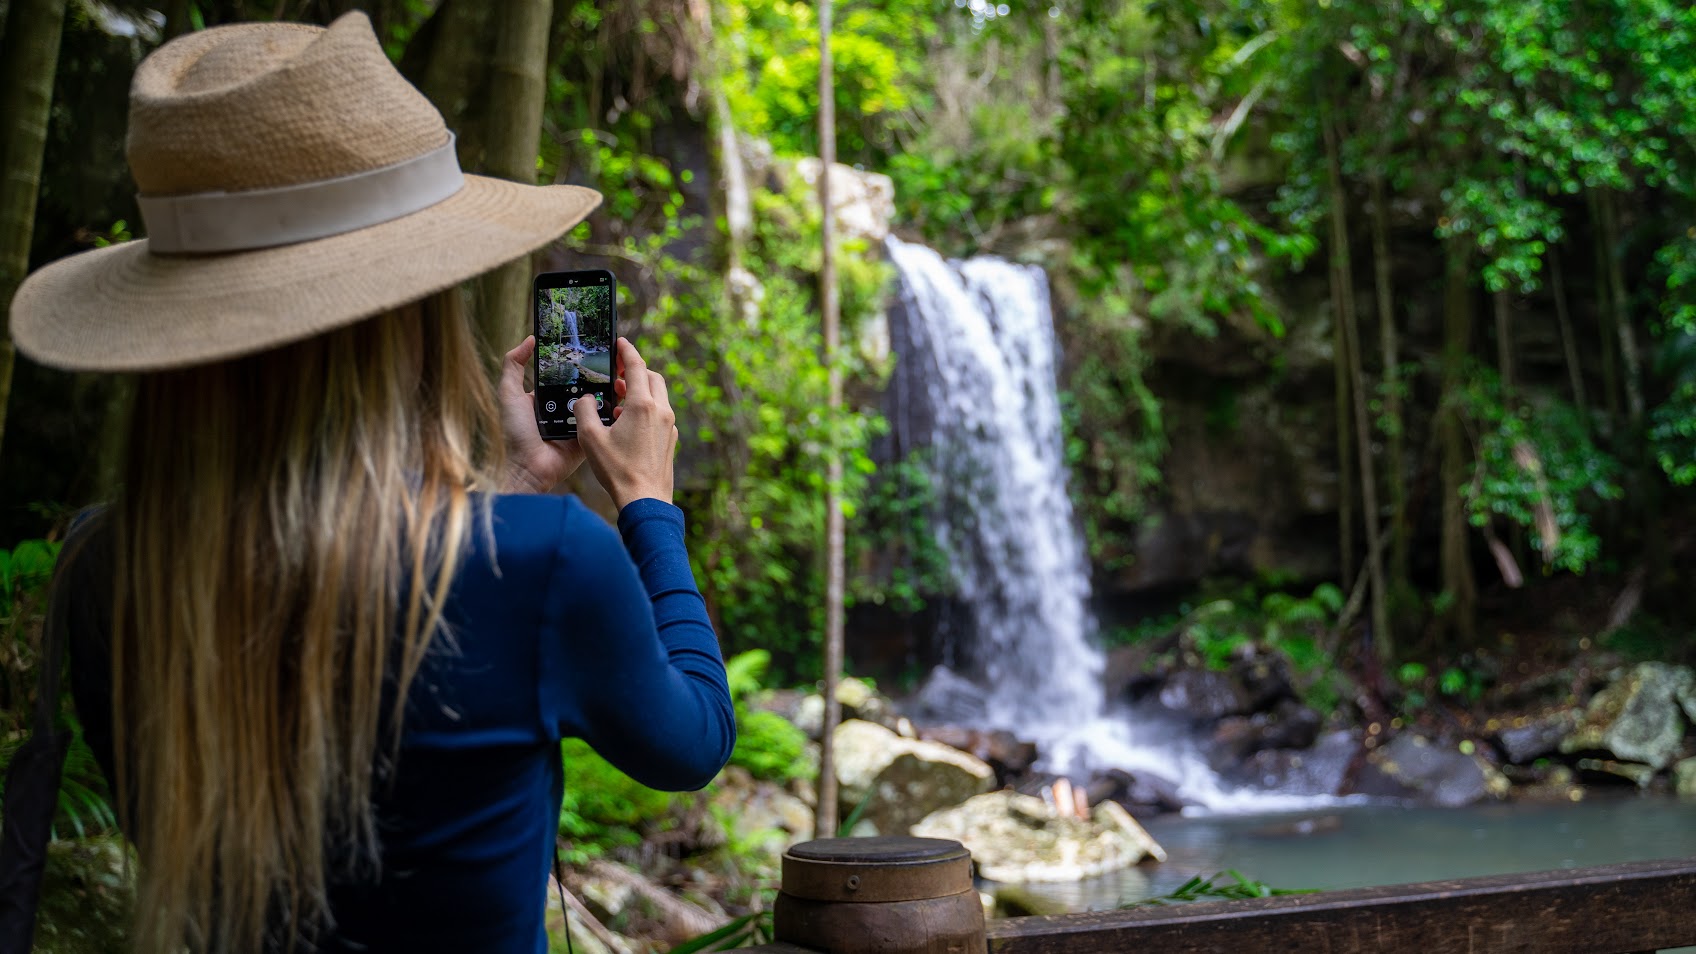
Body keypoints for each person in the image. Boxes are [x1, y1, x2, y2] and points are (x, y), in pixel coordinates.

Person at [8, 12, 734, 953]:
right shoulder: (548, 565)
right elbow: (693, 741)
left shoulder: (106, 563)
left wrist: (511, 484)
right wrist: (647, 503)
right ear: (414, 310)